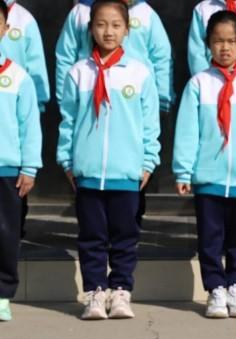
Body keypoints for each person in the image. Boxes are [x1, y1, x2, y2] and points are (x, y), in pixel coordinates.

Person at [57, 0, 161, 320]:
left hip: (126, 173)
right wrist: (67, 161)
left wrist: (148, 161)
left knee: (124, 238)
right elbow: (68, 121)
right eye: (101, 24)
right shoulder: (78, 73)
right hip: (87, 172)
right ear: (90, 28)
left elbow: (149, 123)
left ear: (127, 30)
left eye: (116, 25)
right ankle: (94, 292)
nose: (108, 31)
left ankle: (120, 291)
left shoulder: (139, 73)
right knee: (91, 237)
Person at [174, 10, 236, 319]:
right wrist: (183, 170)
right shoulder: (199, 84)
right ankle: (215, 289)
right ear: (208, 44)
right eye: (218, 41)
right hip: (209, 178)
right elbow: (188, 131)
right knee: (210, 238)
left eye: (231, 41)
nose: (225, 47)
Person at [0, 0, 42, 322]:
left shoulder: (18, 77)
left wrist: (29, 167)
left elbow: (30, 127)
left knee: (5, 233)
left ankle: (2, 293)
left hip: (7, 170)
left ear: (5, 29)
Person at [55, 0, 174, 111]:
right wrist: (64, 99)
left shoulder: (145, 13)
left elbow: (161, 57)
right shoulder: (81, 12)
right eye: (100, 25)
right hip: (88, 93)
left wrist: (162, 99)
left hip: (136, 96)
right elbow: (65, 58)